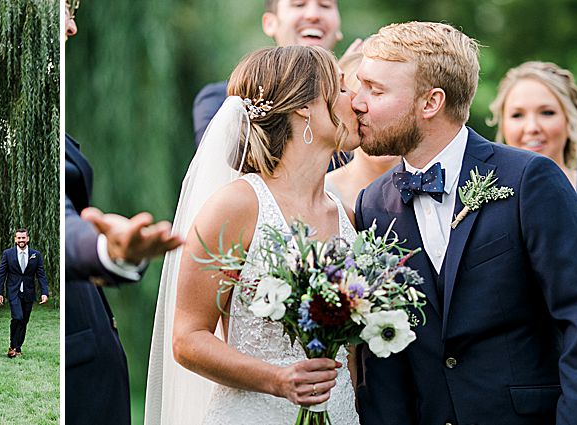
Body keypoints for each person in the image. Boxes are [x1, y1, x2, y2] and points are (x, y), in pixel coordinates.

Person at [352, 22, 577, 424]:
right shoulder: (372, 203)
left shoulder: (528, 180)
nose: (357, 102)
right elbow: (383, 358)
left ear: (430, 102)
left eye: (375, 89)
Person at [150, 45, 360, 424]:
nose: (356, 100)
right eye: (343, 89)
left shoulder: (346, 216)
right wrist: (278, 380)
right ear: (304, 107)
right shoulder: (237, 207)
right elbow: (187, 338)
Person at [63, 4, 183, 424]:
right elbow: (62, 222)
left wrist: (116, 252)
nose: (72, 26)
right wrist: (102, 249)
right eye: (65, 9)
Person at [193, 0, 346, 146]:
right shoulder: (221, 100)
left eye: (325, 5)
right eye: (298, 4)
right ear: (270, 23)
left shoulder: (356, 99)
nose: (313, 15)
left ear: (338, 27)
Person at [489, 61, 577, 187]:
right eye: (517, 115)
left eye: (547, 113)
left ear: (569, 120)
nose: (532, 128)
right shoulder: (481, 193)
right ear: (503, 125)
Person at [325, 49, 400, 207]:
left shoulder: (430, 184)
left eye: (383, 100)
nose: (376, 119)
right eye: (358, 111)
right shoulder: (326, 194)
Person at [0, 229, 49, 358]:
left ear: (28, 239)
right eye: (19, 238)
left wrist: (44, 292)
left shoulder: (35, 255)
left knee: (24, 320)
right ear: (15, 239)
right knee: (17, 317)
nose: (21, 240)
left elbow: (41, 275)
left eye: (23, 238)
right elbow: (2, 274)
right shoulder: (8, 254)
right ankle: (13, 346)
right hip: (14, 291)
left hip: (29, 292)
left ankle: (18, 347)